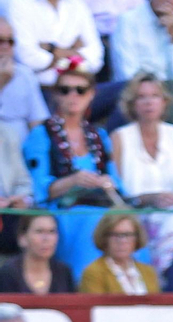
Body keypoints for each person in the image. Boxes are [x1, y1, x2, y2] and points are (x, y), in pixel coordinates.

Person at [22, 66, 122, 275]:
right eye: (65, 90)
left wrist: (106, 182)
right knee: (89, 221)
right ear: (56, 95)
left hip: (101, 206)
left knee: (124, 224)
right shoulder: (41, 135)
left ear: (91, 94)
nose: (73, 95)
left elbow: (117, 181)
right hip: (61, 210)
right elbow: (39, 189)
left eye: (80, 90)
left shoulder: (100, 136)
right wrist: (74, 180)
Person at [110, 72, 173, 271]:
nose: (148, 102)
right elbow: (116, 197)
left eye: (154, 96)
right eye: (141, 97)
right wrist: (150, 198)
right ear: (132, 104)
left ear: (164, 102)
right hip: (137, 216)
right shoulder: (119, 138)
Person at [110, 0, 173, 129]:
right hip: (136, 94)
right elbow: (126, 73)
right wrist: (156, 93)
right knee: (171, 89)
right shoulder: (128, 20)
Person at [9, 0, 104, 88]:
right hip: (40, 88)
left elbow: (96, 58)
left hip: (81, 88)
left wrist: (51, 49)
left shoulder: (76, 2)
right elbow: (28, 57)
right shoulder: (19, 2)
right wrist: (73, 53)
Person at [78, 209, 160, 292]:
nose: (122, 241)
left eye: (127, 235)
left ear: (137, 238)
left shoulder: (148, 272)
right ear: (104, 238)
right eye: (115, 235)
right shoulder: (94, 272)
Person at [0, 15, 50, 145]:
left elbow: (37, 121)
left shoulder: (24, 74)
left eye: (10, 41)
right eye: (0, 41)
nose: (6, 46)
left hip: (22, 153)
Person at [0, 212, 74, 292]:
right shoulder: (8, 273)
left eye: (52, 231)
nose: (46, 239)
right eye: (39, 231)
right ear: (22, 238)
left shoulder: (64, 272)